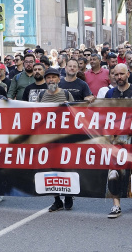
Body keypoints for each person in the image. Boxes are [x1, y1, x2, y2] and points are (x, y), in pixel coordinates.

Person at [104, 63, 132, 218]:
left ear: (128, 74)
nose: (119, 77)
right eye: (116, 75)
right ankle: (116, 205)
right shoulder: (109, 93)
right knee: (113, 172)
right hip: (115, 139)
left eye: (121, 74)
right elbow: (102, 115)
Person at [37, 68, 74, 211]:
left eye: (54, 77)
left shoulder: (66, 94)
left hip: (64, 138)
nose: (51, 80)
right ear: (45, 80)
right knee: (51, 169)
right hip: (48, 138)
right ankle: (57, 199)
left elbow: (75, 113)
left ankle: (69, 194)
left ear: (59, 79)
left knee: (66, 167)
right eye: (48, 78)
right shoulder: (41, 95)